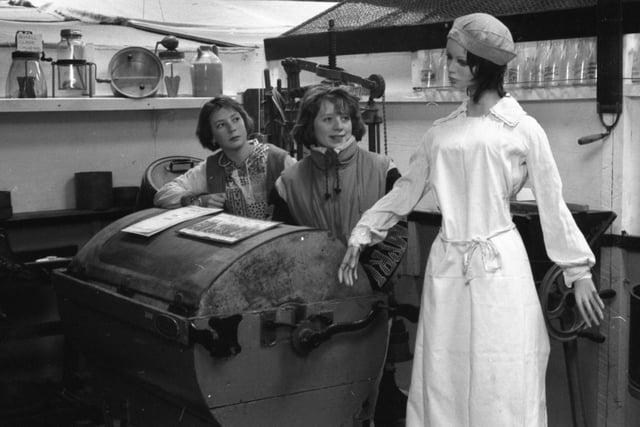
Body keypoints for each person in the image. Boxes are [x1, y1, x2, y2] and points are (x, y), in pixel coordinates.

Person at [338, 13, 605, 427]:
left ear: (480, 64)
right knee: (443, 370)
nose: (448, 66)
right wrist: (364, 231)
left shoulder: (523, 130)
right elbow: (406, 190)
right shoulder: (440, 133)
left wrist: (577, 270)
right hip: (448, 262)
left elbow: (553, 202)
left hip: (501, 264)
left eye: (456, 59)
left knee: (502, 370)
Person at [271, 84, 409, 424]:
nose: (338, 126)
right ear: (309, 125)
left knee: (376, 384)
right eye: (328, 118)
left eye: (345, 117)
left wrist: (368, 282)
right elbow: (284, 244)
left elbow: (397, 234)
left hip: (373, 298)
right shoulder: (288, 180)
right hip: (317, 301)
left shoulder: (383, 169)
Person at [153, 97, 295, 220]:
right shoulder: (211, 168)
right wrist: (196, 201)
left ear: (245, 121)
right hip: (232, 248)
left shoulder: (278, 159)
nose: (232, 128)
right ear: (212, 136)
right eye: (221, 125)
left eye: (236, 119)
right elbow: (163, 195)